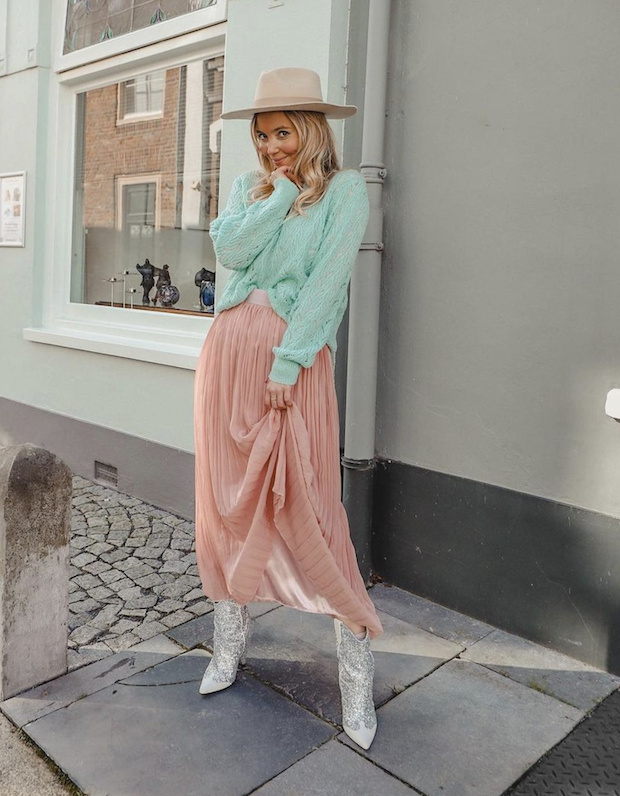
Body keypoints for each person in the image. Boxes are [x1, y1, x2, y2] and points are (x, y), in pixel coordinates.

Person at [193, 66, 383, 750]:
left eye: (285, 132)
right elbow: (230, 250)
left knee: (311, 506)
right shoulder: (253, 189)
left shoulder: (346, 192)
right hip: (226, 359)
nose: (273, 144)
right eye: (264, 133)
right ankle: (228, 643)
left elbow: (330, 282)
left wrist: (288, 361)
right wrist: (276, 194)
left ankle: (357, 674)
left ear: (311, 130)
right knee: (225, 502)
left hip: (287, 366)